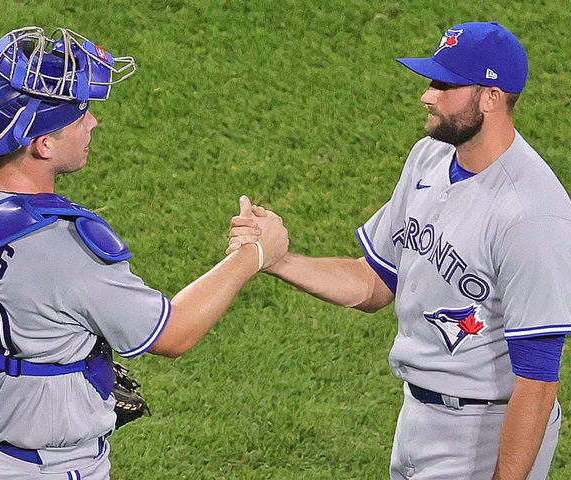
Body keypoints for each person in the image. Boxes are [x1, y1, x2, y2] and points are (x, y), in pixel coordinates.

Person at [0, 27, 287, 479]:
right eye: (80, 115)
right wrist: (254, 253)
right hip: (41, 469)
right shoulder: (63, 249)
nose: (93, 123)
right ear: (43, 144)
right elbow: (172, 334)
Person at [228, 21, 571, 480]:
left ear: (491, 96)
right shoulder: (428, 157)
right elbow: (374, 282)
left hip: (487, 432)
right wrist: (276, 259)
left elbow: (538, 379)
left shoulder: (532, 215)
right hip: (417, 416)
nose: (427, 95)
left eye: (445, 84)